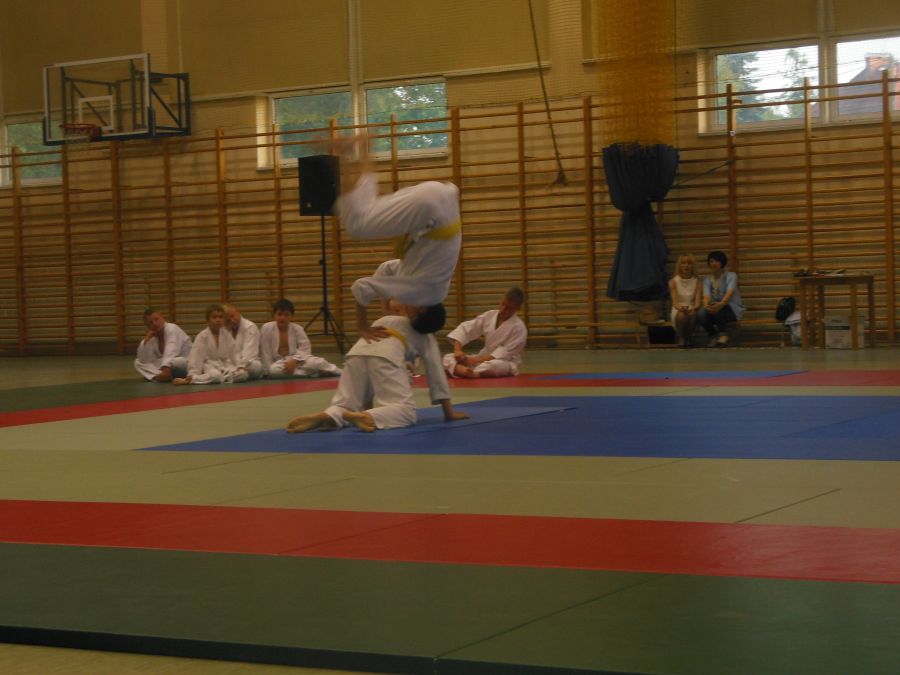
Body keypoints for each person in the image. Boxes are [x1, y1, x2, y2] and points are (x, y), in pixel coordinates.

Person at [333, 135, 461, 342]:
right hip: (429, 212)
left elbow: (388, 268)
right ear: (420, 311)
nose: (405, 311)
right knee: (357, 226)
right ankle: (342, 153)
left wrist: (385, 305)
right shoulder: (418, 294)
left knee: (367, 209)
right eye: (409, 314)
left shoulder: (437, 288)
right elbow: (361, 287)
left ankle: (364, 147)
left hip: (441, 196)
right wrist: (362, 326)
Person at [286, 303, 468, 433]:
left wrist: (365, 409)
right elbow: (436, 374)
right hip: (387, 355)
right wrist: (449, 413)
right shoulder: (427, 337)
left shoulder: (388, 318)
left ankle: (331, 414)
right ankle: (368, 416)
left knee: (345, 404)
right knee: (405, 411)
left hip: (357, 352)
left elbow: (369, 381)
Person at [442, 287, 527, 378]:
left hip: (504, 362)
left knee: (494, 365)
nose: (503, 309)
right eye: (503, 304)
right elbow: (466, 329)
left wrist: (474, 360)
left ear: (517, 308)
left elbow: (503, 354)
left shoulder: (519, 328)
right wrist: (457, 350)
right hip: (481, 358)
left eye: (508, 308)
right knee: (447, 357)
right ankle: (466, 371)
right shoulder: (490, 315)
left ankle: (467, 371)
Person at [260, 298, 342, 378]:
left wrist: (294, 360)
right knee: (274, 370)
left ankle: (338, 371)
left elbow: (305, 348)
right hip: (279, 363)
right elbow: (265, 352)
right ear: (274, 315)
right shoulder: (267, 328)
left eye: (286, 315)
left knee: (318, 362)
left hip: (298, 360)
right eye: (279, 314)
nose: (282, 317)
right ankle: (315, 373)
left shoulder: (297, 329)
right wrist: (267, 372)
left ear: (291, 316)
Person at [175, 304, 247, 384]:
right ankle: (191, 379)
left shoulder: (226, 334)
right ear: (208, 321)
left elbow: (234, 353)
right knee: (215, 376)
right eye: (214, 317)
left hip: (225, 366)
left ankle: (224, 378)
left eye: (221, 317)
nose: (218, 320)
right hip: (209, 367)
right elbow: (196, 357)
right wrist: (193, 373)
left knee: (243, 374)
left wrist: (240, 366)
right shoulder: (203, 336)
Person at [697, 250, 744, 347]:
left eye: (717, 261)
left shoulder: (731, 276)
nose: (714, 263)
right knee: (701, 313)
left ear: (722, 262)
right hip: (715, 308)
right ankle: (713, 335)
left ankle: (723, 335)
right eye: (711, 261)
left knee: (719, 306)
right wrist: (706, 306)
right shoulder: (707, 280)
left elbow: (729, 293)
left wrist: (720, 304)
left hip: (731, 308)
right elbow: (706, 296)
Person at [134, 308, 192, 382]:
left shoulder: (172, 328)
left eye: (156, 319)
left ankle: (158, 376)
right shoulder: (152, 337)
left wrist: (166, 370)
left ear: (162, 318)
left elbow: (171, 351)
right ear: (147, 326)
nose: (155, 323)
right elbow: (145, 359)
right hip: (169, 367)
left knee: (178, 361)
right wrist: (146, 340)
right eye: (150, 323)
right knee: (138, 362)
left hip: (186, 362)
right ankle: (163, 376)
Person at [668, 255, 702, 348]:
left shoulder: (697, 281)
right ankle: (682, 337)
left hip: (692, 306)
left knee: (692, 314)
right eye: (683, 263)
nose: (686, 265)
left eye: (689, 263)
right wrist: (681, 308)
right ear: (679, 266)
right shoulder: (673, 281)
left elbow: (698, 302)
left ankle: (689, 337)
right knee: (682, 315)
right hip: (678, 308)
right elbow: (675, 302)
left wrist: (693, 308)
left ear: (693, 266)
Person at [223, 303, 263, 379]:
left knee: (256, 366)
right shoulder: (224, 330)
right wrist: (231, 367)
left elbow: (249, 353)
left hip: (248, 364)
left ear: (238, 312)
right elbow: (224, 354)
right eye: (228, 320)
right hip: (231, 366)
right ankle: (234, 375)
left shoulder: (250, 327)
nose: (232, 321)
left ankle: (230, 376)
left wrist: (241, 366)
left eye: (233, 316)